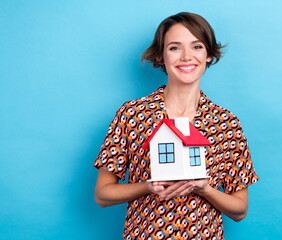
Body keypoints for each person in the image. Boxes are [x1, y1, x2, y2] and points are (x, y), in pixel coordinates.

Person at [93, 12, 259, 240]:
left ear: (209, 54)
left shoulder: (226, 123)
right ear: (161, 56)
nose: (187, 56)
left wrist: (204, 189)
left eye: (197, 46)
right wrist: (148, 186)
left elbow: (240, 210)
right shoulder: (132, 114)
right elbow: (102, 195)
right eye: (174, 48)